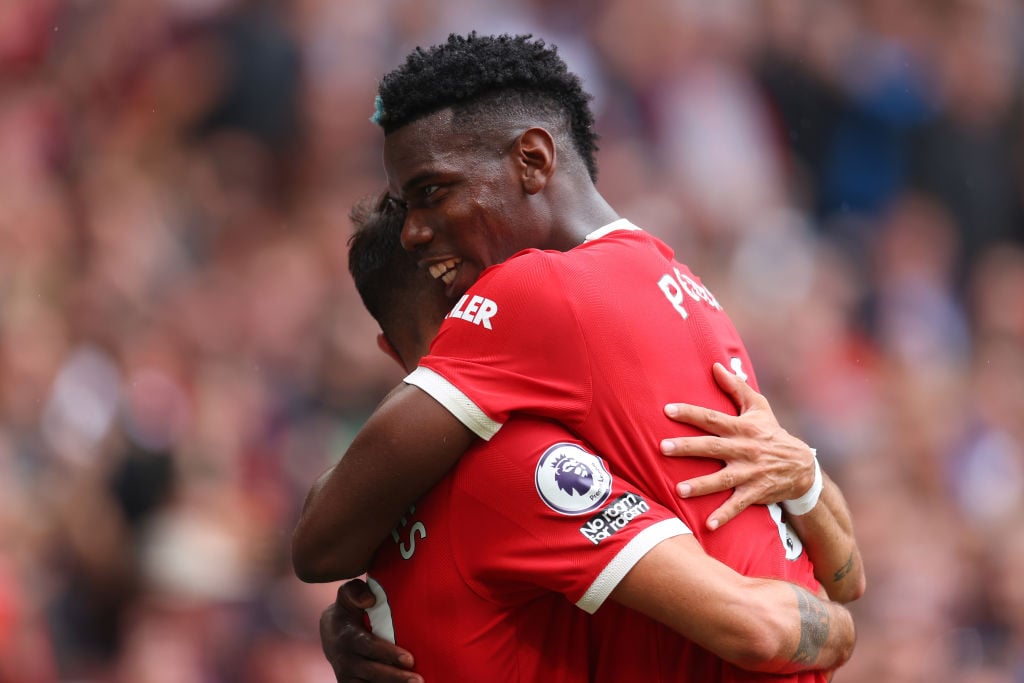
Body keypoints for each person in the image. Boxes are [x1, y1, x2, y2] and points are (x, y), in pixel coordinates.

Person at [293, 33, 865, 680]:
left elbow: (320, 540)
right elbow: (848, 574)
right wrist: (814, 495)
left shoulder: (536, 290)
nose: (416, 228)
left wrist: (369, 616)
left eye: (431, 192)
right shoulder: (678, 281)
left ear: (533, 160)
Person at [325, 191, 855, 682]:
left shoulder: (371, 491)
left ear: (388, 351)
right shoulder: (516, 464)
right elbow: (760, 628)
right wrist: (843, 626)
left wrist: (802, 472)